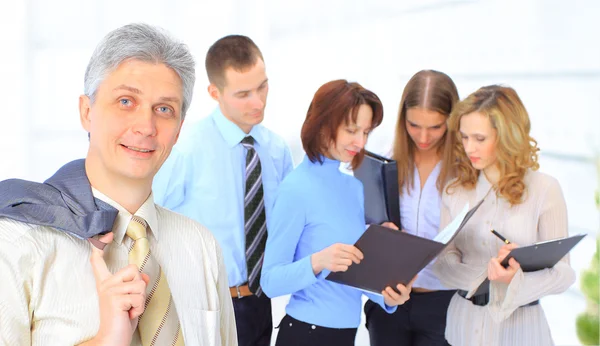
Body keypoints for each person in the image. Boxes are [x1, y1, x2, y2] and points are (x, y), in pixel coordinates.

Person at [0, 23, 236, 346]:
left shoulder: (202, 248)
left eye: (164, 109)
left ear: (179, 130)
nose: (146, 126)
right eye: (126, 101)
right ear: (87, 112)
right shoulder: (17, 244)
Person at [152, 35, 293, 346]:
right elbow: (148, 221)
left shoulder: (277, 150)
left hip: (260, 302)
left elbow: (289, 225)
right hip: (205, 307)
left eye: (262, 87)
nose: (257, 102)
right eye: (243, 94)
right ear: (214, 92)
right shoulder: (186, 149)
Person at [261, 79, 414, 346]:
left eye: (366, 132)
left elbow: (352, 275)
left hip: (346, 336)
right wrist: (319, 261)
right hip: (305, 334)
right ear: (322, 126)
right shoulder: (296, 188)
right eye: (352, 130)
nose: (360, 141)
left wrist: (388, 296)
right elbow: (271, 281)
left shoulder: (353, 187)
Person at [432, 85, 576, 346]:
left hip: (522, 330)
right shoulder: (454, 190)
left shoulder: (544, 189)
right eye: (464, 137)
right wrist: (484, 278)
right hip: (463, 326)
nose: (469, 148)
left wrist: (516, 280)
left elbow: (564, 274)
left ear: (508, 136)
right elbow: (442, 264)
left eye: (479, 138)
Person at [364, 70, 459, 346]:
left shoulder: (465, 170)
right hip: (389, 302)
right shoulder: (385, 159)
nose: (424, 137)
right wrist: (379, 232)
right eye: (414, 125)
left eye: (436, 127)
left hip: (444, 301)